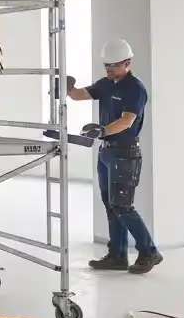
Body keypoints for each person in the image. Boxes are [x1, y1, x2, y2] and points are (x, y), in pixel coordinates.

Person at [67, 38, 162, 274]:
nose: (109, 69)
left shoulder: (135, 89)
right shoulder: (106, 84)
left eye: (114, 65)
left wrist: (102, 130)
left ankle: (149, 252)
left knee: (122, 206)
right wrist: (66, 88)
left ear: (127, 63)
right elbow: (79, 95)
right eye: (106, 65)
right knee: (111, 206)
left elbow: (127, 121)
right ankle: (117, 256)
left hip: (125, 153)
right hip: (106, 152)